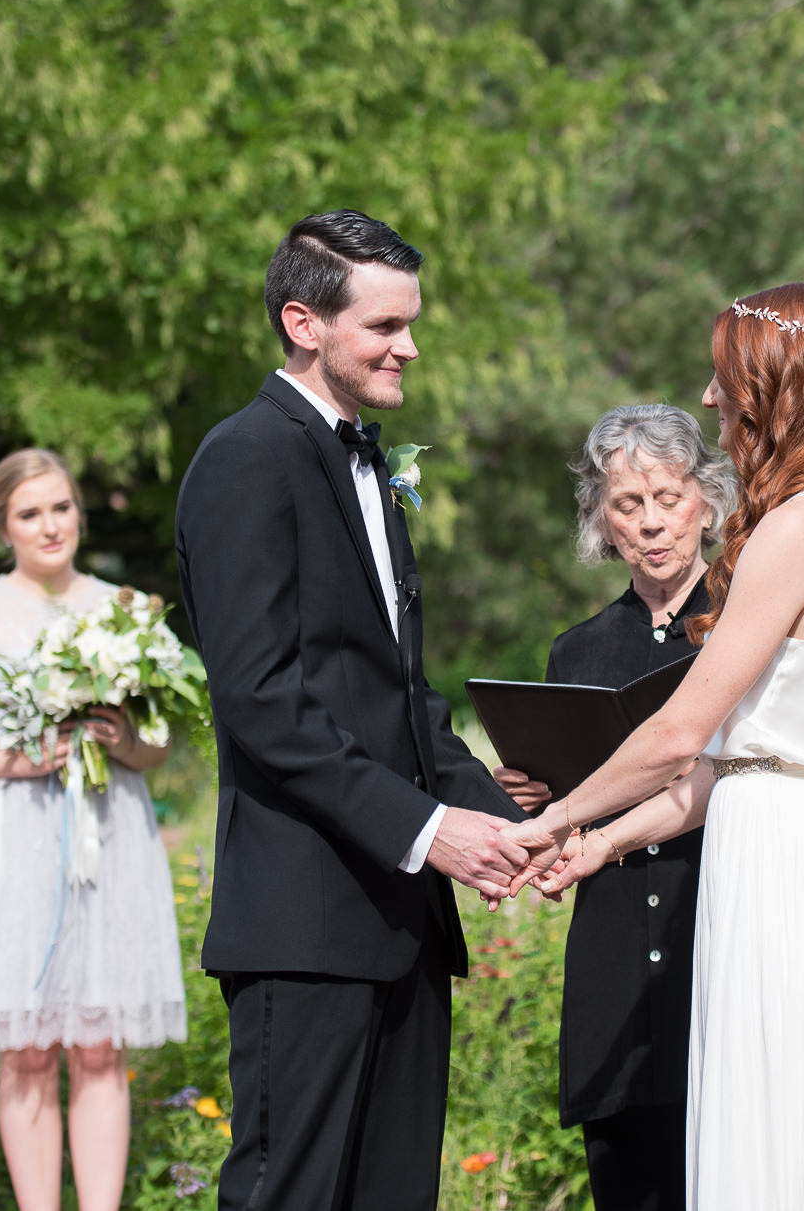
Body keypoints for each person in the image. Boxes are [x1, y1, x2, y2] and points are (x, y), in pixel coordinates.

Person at [512, 283, 804, 1211]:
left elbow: (682, 734)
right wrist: (596, 845)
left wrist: (551, 817)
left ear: (775, 386)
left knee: (782, 1138)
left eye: (725, 379)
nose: (712, 399)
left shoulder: (798, 527)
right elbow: (730, 763)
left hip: (788, 866)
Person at [174, 209, 530, 1211]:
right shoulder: (246, 457)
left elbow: (396, 694)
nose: (407, 346)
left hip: (402, 917)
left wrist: (514, 825)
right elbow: (261, 697)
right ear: (303, 321)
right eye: (382, 327)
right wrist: (426, 829)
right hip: (305, 917)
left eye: (408, 324)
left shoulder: (368, 460)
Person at [0, 449, 186, 1211]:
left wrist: (120, 739)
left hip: (109, 831)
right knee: (27, 1049)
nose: (50, 525)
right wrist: (23, 758)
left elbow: (160, 741)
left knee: (100, 1044)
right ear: (3, 523)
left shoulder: (126, 607)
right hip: (13, 833)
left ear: (79, 512)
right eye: (30, 512)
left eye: (61, 507)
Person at [491, 405, 735, 1211]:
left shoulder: (746, 616)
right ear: (602, 515)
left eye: (668, 496)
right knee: (624, 1178)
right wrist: (532, 795)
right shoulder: (577, 649)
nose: (653, 523)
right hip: (612, 950)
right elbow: (570, 797)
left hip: (718, 924)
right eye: (628, 504)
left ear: (706, 496)